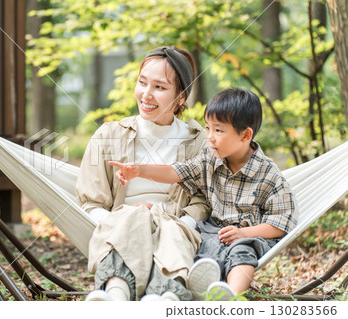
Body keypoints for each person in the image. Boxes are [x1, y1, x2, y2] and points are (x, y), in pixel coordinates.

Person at [110, 88, 298, 300]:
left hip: (250, 234)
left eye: (218, 130)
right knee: (201, 252)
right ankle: (203, 289)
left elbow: (283, 222)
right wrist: (140, 170)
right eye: (208, 128)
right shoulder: (210, 158)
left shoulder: (269, 174)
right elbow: (177, 172)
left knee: (241, 252)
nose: (209, 137)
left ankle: (232, 296)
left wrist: (245, 233)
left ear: (245, 135)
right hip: (212, 231)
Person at [76, 46, 210, 301]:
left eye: (159, 87)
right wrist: (128, 220)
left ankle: (165, 298)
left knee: (169, 230)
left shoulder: (199, 142)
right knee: (133, 218)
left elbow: (202, 200)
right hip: (120, 223)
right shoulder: (109, 135)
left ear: (180, 97)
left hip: (174, 228)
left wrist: (177, 223)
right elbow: (91, 202)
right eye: (142, 82)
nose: (146, 94)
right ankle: (115, 294)